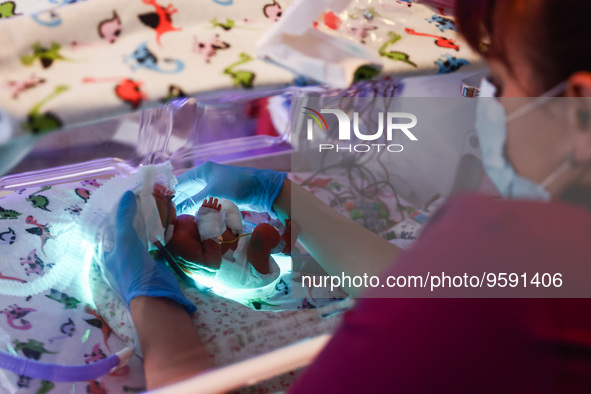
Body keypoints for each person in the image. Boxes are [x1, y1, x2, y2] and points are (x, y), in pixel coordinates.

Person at [103, 0, 591, 391]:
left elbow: (450, 307)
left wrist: (155, 307)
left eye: (500, 83)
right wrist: (284, 195)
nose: (492, 106)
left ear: (579, 111)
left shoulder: (514, 258)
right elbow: (423, 294)